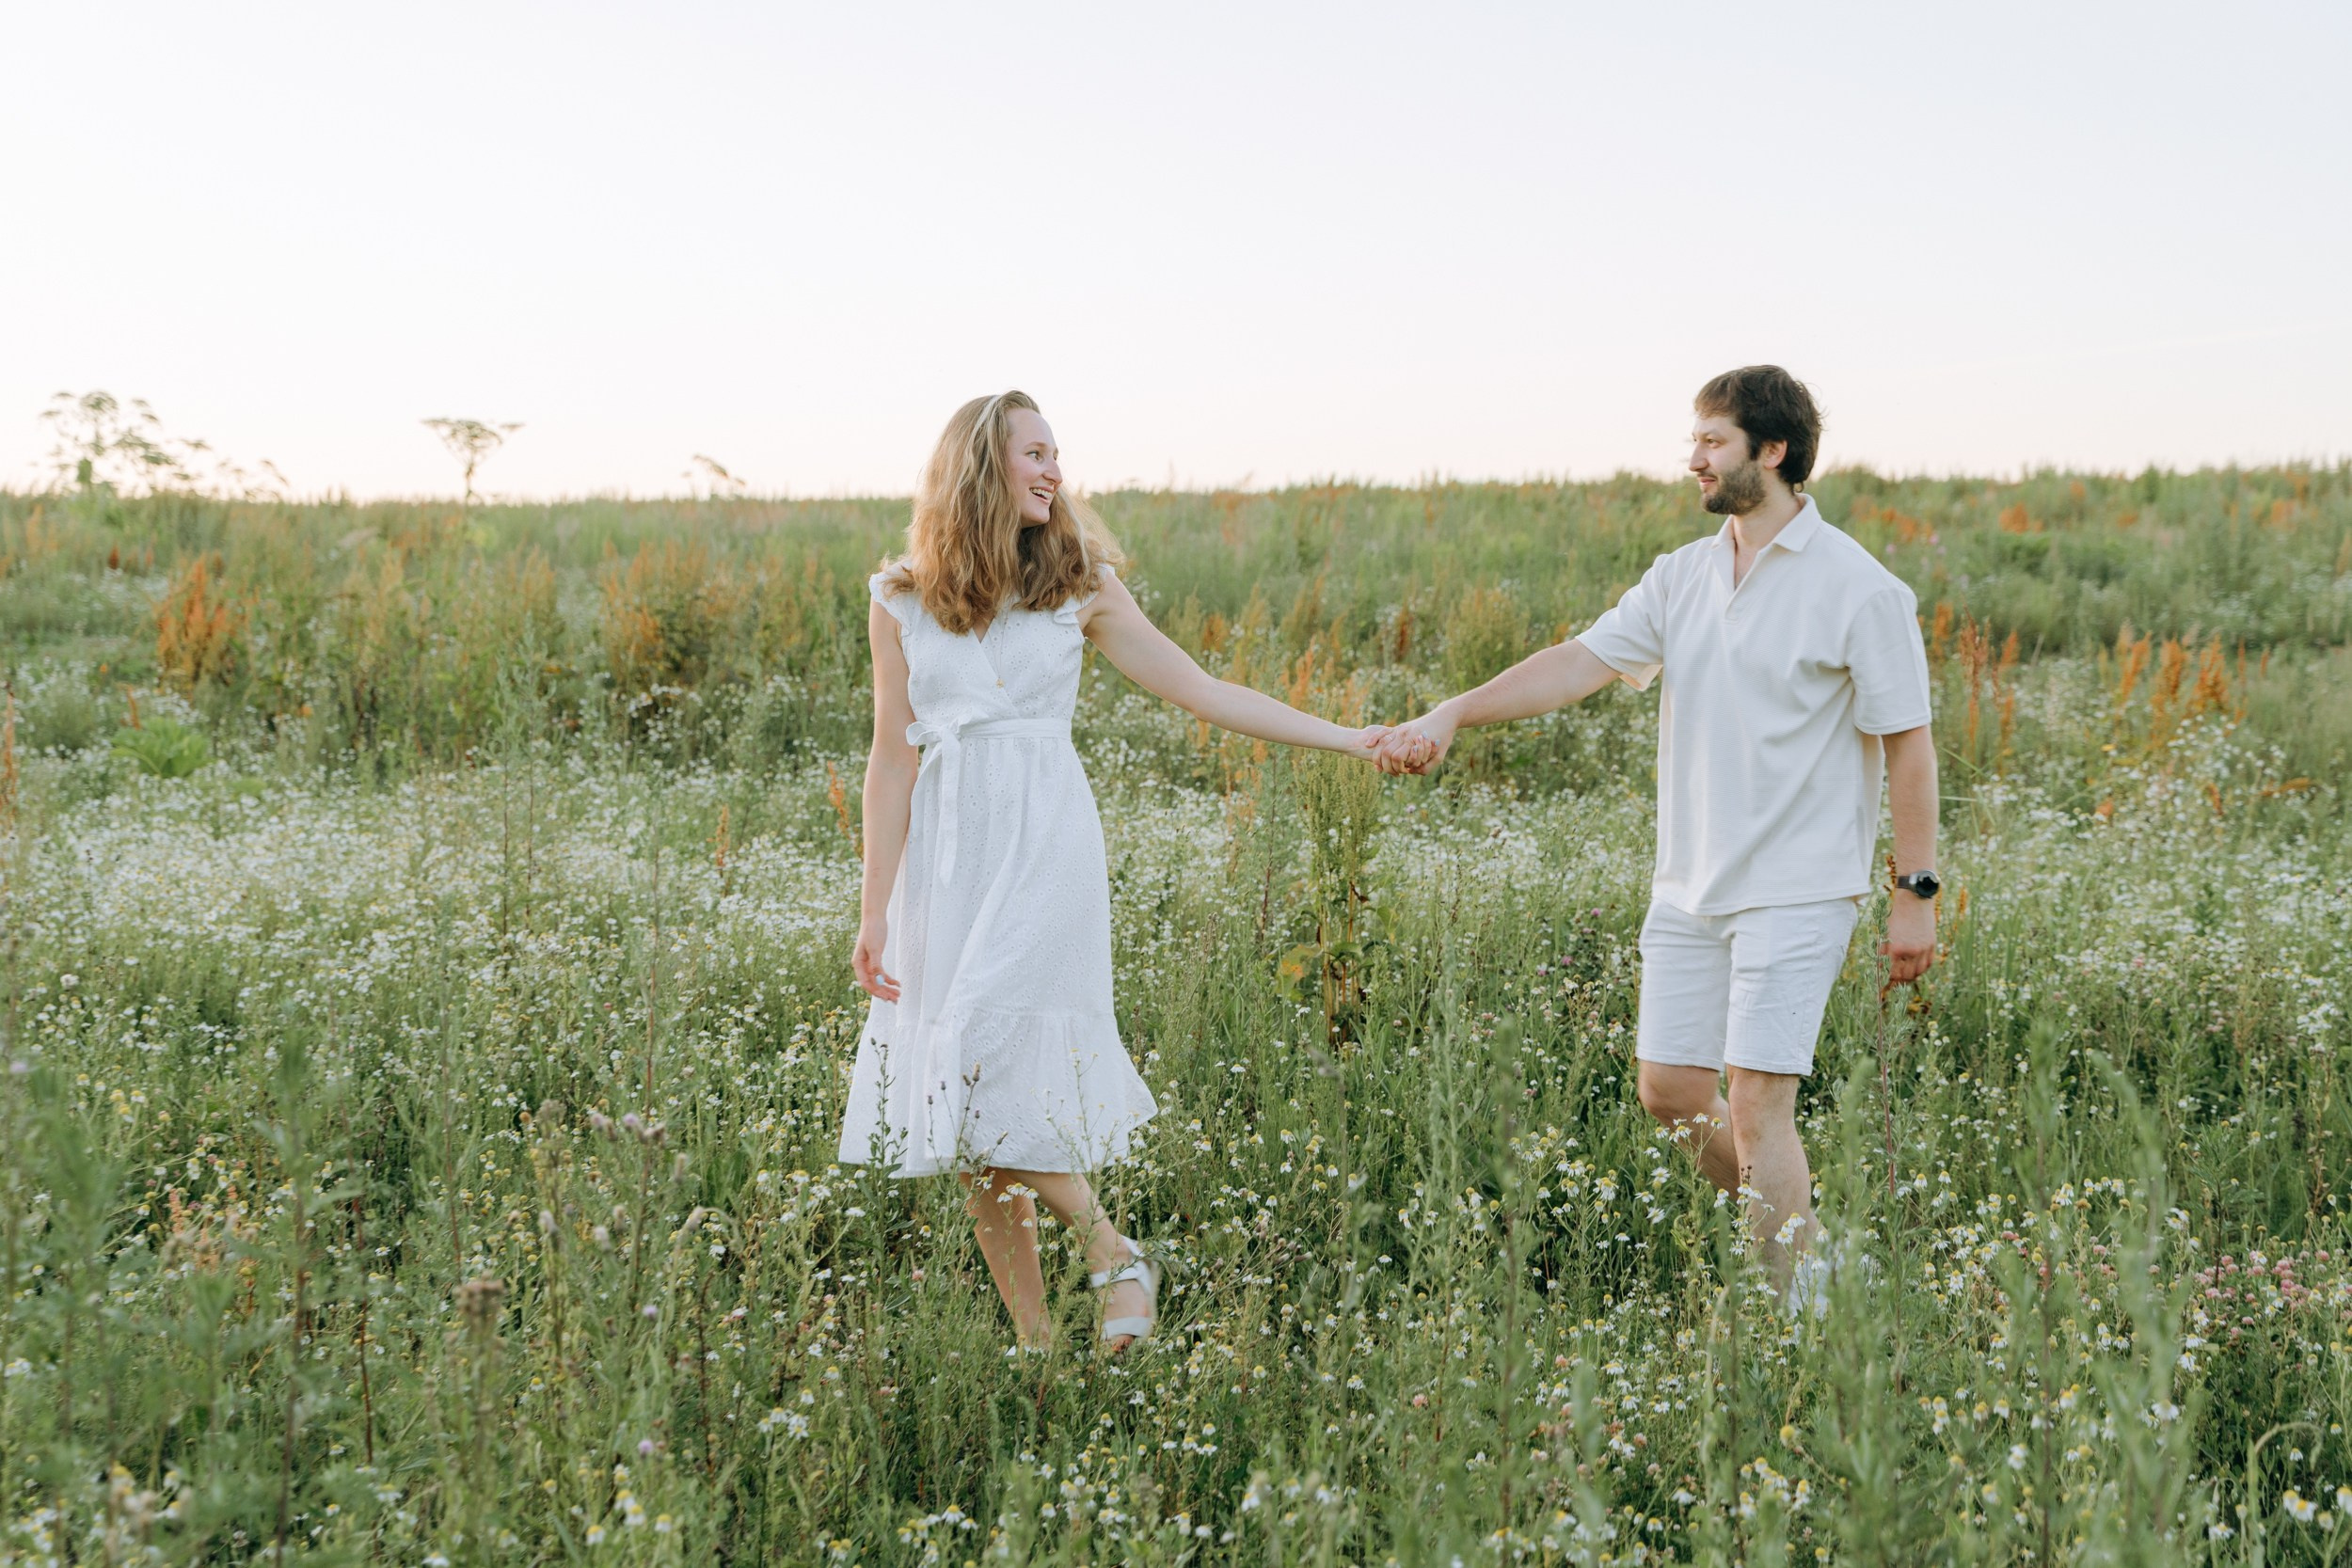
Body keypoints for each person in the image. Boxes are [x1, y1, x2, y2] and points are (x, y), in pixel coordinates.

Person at [1375, 366, 1939, 1306]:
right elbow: (1578, 662)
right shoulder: (1681, 575)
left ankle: (1798, 1314)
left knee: (1758, 1105)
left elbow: (1909, 746)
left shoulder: (1860, 588)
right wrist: (1452, 711)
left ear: (1773, 451)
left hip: (1797, 886)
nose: (1693, 459)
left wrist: (1911, 893)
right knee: (1671, 1095)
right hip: (1687, 883)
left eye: (1713, 442)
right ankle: (1806, 1244)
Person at [842, 390, 1387, 1352]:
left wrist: (1353, 738)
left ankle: (1111, 1250)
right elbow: (893, 757)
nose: (1055, 471)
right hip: (947, 857)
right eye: (1036, 454)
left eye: (1057, 454)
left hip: (1043, 843)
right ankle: (1037, 1343)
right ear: (979, 467)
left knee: (979, 1058)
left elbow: (1204, 690)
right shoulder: (899, 597)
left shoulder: (1078, 583)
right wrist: (875, 906)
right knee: (965, 1104)